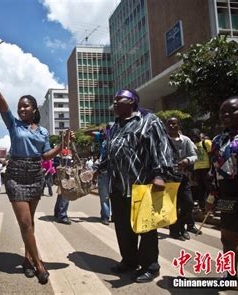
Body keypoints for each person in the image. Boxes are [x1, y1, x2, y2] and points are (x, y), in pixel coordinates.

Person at [0, 53, 74, 285]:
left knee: (29, 221)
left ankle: (27, 259)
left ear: (33, 109)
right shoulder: (13, 125)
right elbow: (0, 100)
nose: (21, 108)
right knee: (24, 223)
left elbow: (44, 155)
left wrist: (62, 145)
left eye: (25, 106)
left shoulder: (41, 132)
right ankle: (39, 264)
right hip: (16, 176)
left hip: (36, 175)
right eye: (19, 106)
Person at [105, 89, 174, 283]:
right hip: (117, 186)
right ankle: (129, 261)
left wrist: (160, 174)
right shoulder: (115, 126)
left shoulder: (149, 120)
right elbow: (110, 152)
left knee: (145, 229)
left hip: (141, 185)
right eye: (114, 100)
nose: (115, 103)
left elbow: (161, 147)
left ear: (132, 101)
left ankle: (150, 266)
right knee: (123, 227)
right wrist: (97, 169)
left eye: (120, 99)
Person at [206, 97, 238, 291]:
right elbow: (214, 171)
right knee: (227, 239)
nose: (225, 114)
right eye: (222, 111)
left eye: (232, 110)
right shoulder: (218, 139)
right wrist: (212, 197)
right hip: (226, 196)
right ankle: (230, 277)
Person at [165, 117, 198, 241]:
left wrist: (187, 160)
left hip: (182, 176)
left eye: (174, 123)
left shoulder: (186, 140)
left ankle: (182, 226)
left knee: (188, 203)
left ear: (179, 125)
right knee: (172, 206)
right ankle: (175, 231)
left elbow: (194, 155)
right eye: (169, 124)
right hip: (168, 178)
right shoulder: (161, 140)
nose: (172, 126)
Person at [92, 128, 111, 225]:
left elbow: (105, 160)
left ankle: (105, 216)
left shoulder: (106, 144)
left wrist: (97, 172)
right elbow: (90, 133)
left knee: (104, 196)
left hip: (105, 172)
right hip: (116, 173)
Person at [191, 128, 212, 212]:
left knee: (209, 188)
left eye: (195, 136)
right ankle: (202, 207)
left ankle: (211, 206)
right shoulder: (193, 145)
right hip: (197, 169)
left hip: (206, 168)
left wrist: (211, 169)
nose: (194, 138)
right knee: (200, 189)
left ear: (199, 134)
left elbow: (211, 155)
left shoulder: (206, 142)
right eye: (192, 136)